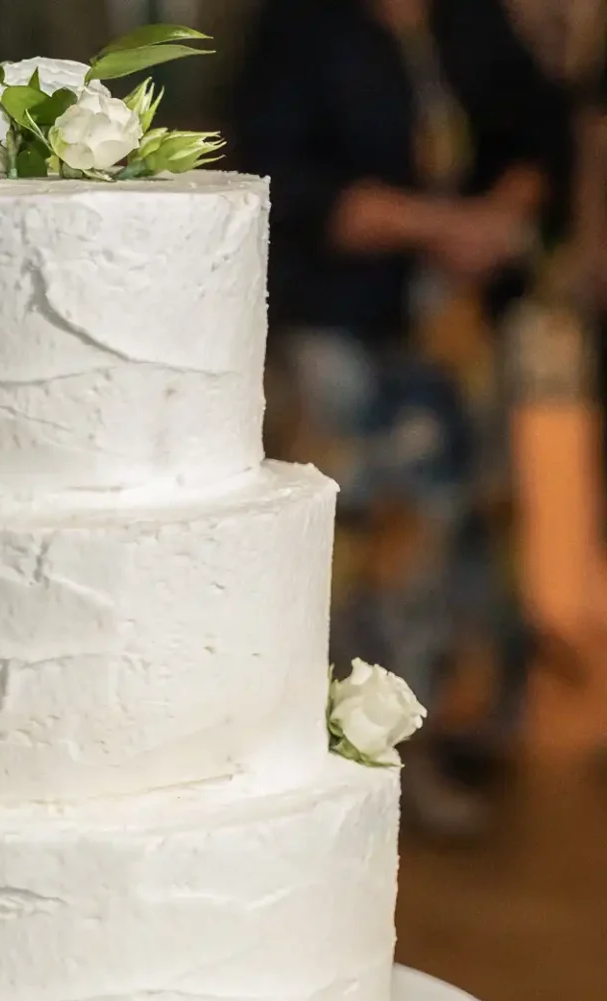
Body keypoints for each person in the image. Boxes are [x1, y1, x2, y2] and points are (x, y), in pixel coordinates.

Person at [233, 0, 571, 837]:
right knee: (353, 559)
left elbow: (540, 128)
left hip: (449, 333)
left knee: (448, 546)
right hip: (342, 339)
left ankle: (431, 745)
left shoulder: (468, 20)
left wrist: (500, 216)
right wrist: (434, 226)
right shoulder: (300, 28)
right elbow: (279, 182)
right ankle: (337, 766)